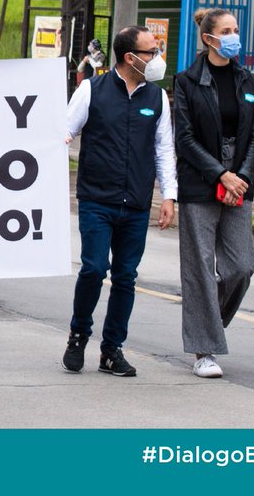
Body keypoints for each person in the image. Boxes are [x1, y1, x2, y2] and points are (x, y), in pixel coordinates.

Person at [62, 25, 176, 377]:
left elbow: (164, 148)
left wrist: (169, 196)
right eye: (151, 51)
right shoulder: (90, 89)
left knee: (126, 277)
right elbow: (64, 131)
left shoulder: (157, 97)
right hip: (97, 198)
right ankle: (79, 335)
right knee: (94, 269)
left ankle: (111, 349)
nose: (157, 58)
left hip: (137, 204)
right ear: (130, 57)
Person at [173, 8, 254, 378]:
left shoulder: (247, 79)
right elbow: (185, 138)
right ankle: (204, 349)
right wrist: (219, 175)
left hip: (238, 182)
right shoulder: (186, 81)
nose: (233, 36)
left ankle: (207, 326)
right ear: (208, 38)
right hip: (200, 182)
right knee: (200, 270)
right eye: (226, 31)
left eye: (236, 30)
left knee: (242, 265)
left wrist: (238, 176)